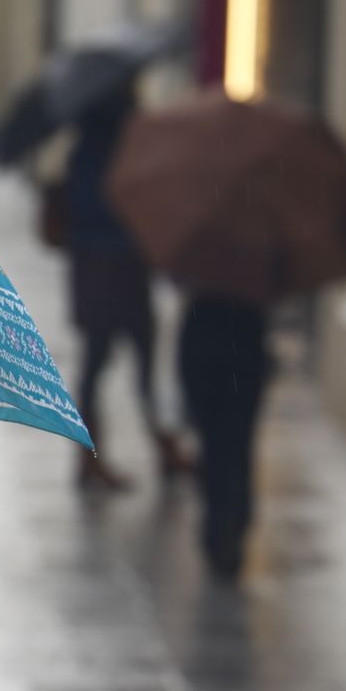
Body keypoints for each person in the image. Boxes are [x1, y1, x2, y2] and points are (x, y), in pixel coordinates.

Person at [61, 87, 190, 489]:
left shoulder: (82, 155)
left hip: (93, 274)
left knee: (98, 368)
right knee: (138, 365)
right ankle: (151, 450)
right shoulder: (123, 155)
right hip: (120, 274)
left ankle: (95, 457)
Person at [177, 294, 272, 581]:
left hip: (208, 349)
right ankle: (234, 524)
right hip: (242, 350)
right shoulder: (252, 286)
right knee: (238, 446)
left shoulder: (200, 276)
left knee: (215, 446)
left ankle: (220, 527)